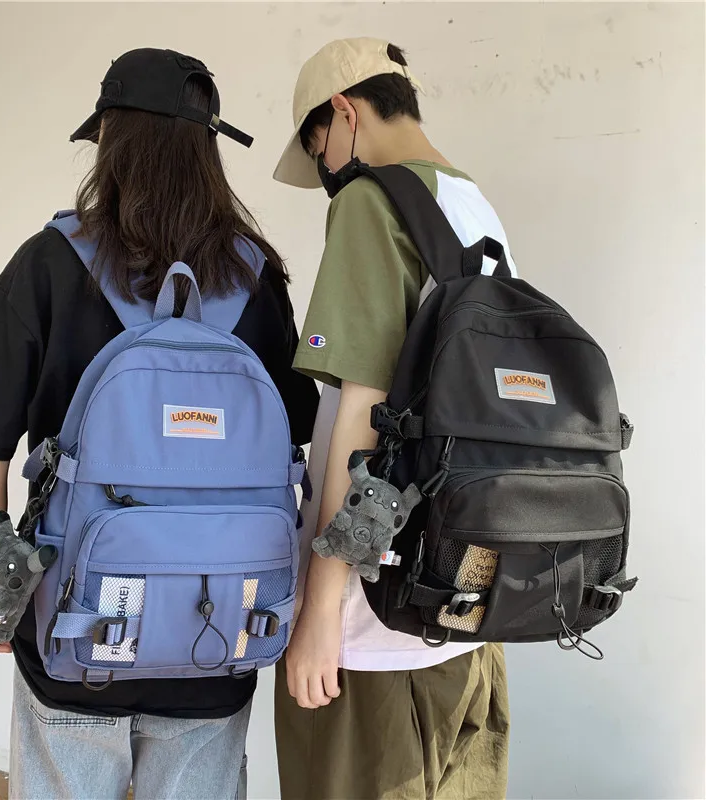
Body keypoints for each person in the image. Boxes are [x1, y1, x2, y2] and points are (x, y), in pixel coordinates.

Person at [0, 47, 319, 800]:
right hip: (218, 644)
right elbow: (295, 444)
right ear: (209, 151)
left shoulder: (47, 264)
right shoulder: (258, 280)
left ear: (109, 142)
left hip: (75, 639)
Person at [272, 38, 511, 800]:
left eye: (319, 151)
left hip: (374, 634)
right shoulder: (473, 205)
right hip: (465, 612)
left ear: (345, 113)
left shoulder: (371, 202)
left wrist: (319, 613)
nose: (326, 173)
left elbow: (362, 415)